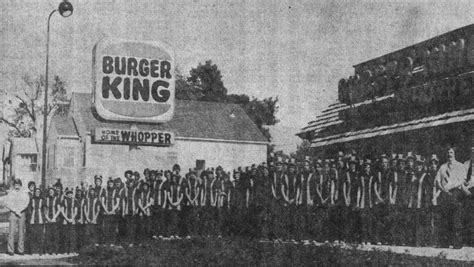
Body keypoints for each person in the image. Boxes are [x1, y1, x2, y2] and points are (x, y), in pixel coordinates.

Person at [435, 146, 468, 248]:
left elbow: (462, 180)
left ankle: (457, 243)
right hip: (445, 194)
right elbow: (437, 181)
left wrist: (452, 187)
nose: (449, 155)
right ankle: (445, 243)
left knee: (456, 219)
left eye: (451, 152)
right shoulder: (442, 167)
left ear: (454, 154)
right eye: (448, 153)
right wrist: (443, 189)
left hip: (456, 194)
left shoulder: (460, 166)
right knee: (445, 219)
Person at [0, 178, 30, 256]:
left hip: (21, 213)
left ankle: (21, 250)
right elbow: (7, 203)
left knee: (21, 232)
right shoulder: (11, 193)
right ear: (14, 185)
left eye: (18, 184)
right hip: (13, 213)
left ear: (20, 185)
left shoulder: (24, 193)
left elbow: (26, 203)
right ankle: (10, 250)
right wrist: (15, 210)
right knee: (11, 232)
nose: (17, 186)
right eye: (15, 184)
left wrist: (20, 210)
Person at [28, 188, 45, 255]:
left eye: (38, 192)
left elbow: (44, 210)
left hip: (40, 219)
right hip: (33, 219)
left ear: (40, 193)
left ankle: (40, 250)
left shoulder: (42, 200)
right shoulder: (31, 200)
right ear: (34, 193)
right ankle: (33, 250)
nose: (37, 193)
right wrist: (30, 217)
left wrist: (43, 218)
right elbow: (29, 209)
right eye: (36, 192)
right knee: (33, 235)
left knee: (40, 235)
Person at [44, 186, 60, 254]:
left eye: (52, 191)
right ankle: (49, 251)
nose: (51, 192)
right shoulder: (46, 199)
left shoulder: (57, 199)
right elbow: (44, 210)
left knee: (55, 235)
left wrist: (54, 218)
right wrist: (47, 218)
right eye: (49, 191)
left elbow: (59, 209)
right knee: (48, 235)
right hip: (48, 219)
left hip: (55, 219)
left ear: (54, 192)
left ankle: (55, 251)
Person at [61, 188, 77, 254]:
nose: (69, 194)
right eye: (68, 193)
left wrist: (72, 218)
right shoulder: (64, 201)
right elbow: (62, 210)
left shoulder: (74, 201)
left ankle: (71, 250)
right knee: (65, 236)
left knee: (72, 236)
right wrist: (67, 218)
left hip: (72, 220)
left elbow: (76, 211)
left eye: (71, 193)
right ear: (66, 194)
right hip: (66, 220)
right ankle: (65, 251)